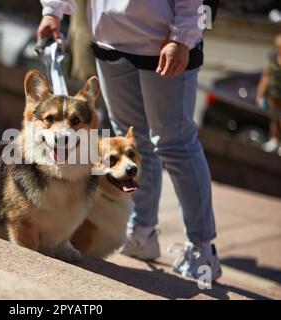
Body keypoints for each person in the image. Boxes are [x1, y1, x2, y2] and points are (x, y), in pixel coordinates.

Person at [37, 0, 222, 281]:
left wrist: (183, 38)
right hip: (110, 42)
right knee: (132, 142)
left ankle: (202, 247)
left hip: (164, 42)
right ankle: (142, 232)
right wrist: (52, 11)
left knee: (175, 143)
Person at [258, 33, 281, 156]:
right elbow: (266, 76)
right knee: (274, 117)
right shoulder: (272, 58)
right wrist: (260, 94)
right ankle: (274, 139)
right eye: (277, 46)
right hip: (274, 93)